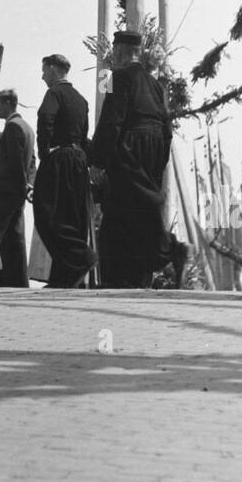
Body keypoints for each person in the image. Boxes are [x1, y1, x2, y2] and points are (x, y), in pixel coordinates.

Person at [90, 29, 174, 288]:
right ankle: (143, 269)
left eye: (114, 53)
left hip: (129, 147)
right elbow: (167, 128)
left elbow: (112, 120)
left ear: (120, 53)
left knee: (119, 209)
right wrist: (158, 165)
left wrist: (98, 160)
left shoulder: (119, 77)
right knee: (141, 210)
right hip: (153, 148)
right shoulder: (155, 84)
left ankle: (119, 275)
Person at [31, 53, 96, 288]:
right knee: (71, 215)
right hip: (78, 159)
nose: (42, 76)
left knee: (46, 213)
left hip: (58, 158)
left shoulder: (54, 94)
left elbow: (45, 119)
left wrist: (43, 152)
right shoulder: (81, 99)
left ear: (53, 69)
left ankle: (81, 257)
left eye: (44, 70)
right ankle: (63, 275)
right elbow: (84, 134)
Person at [0, 88, 36, 287]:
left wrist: (22, 186)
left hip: (7, 190)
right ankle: (17, 280)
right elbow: (32, 160)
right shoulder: (26, 127)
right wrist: (29, 185)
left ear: (8, 103)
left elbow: (14, 162)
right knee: (15, 239)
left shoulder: (13, 127)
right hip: (18, 191)